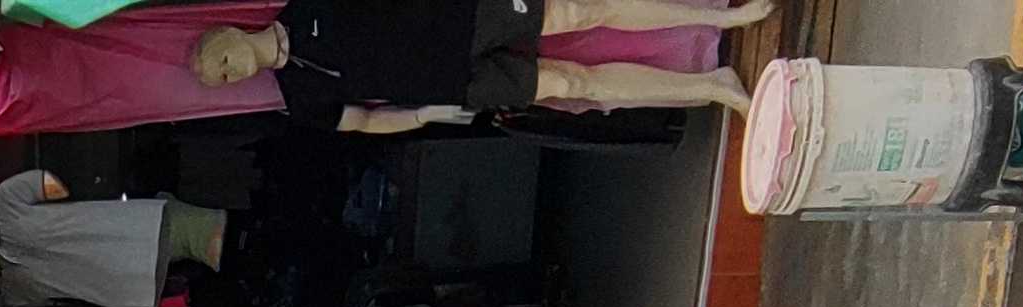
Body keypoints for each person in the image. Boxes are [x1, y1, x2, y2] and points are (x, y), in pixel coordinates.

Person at [194, 0, 769, 128]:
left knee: (581, 11)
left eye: (219, 60)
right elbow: (363, 121)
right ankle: (713, 86)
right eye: (220, 79)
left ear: (228, 33)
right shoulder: (298, 97)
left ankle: (721, 17)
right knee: (573, 83)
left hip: (461, 16)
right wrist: (426, 115)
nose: (228, 73)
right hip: (456, 82)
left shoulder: (308, 5)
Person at [0, 170, 230, 307]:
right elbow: (53, 186)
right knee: (197, 237)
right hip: (132, 250)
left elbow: (52, 185)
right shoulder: (12, 289)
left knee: (198, 237)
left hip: (133, 262)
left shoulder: (6, 203)